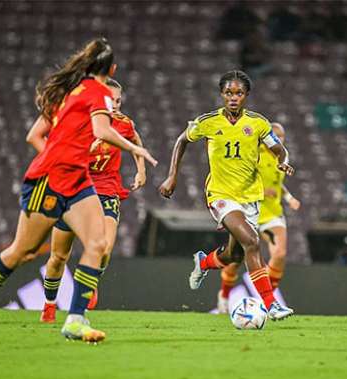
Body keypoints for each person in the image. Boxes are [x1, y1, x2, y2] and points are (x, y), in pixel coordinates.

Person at [0, 38, 157, 343]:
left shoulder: (66, 91)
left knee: (97, 244)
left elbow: (35, 135)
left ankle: (75, 319)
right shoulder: (99, 93)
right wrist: (136, 151)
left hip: (78, 181)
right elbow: (103, 131)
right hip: (49, 181)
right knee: (21, 252)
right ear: (112, 69)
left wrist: (64, 154)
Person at [159, 70, 295, 321]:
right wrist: (172, 176)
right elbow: (181, 141)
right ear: (222, 94)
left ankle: (205, 263)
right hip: (220, 194)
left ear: (246, 96)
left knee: (235, 255)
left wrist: (283, 161)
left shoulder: (258, 123)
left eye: (239, 93)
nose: (233, 97)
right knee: (252, 241)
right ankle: (271, 304)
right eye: (229, 93)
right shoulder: (208, 121)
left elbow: (279, 149)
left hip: (250, 197)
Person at [39, 78, 147, 323]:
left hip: (107, 189)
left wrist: (141, 169)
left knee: (105, 249)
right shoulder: (78, 121)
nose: (116, 105)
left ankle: (90, 276)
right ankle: (49, 304)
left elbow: (135, 141)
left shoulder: (123, 124)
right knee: (58, 257)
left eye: (119, 101)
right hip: (75, 189)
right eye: (111, 101)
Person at [216, 122, 302, 313]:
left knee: (279, 255)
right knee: (236, 260)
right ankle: (223, 295)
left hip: (273, 214)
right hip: (249, 213)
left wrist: (289, 198)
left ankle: (269, 301)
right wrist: (262, 190)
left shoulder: (282, 159)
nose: (279, 140)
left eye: (282, 137)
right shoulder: (253, 155)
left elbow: (277, 184)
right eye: (275, 136)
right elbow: (238, 182)